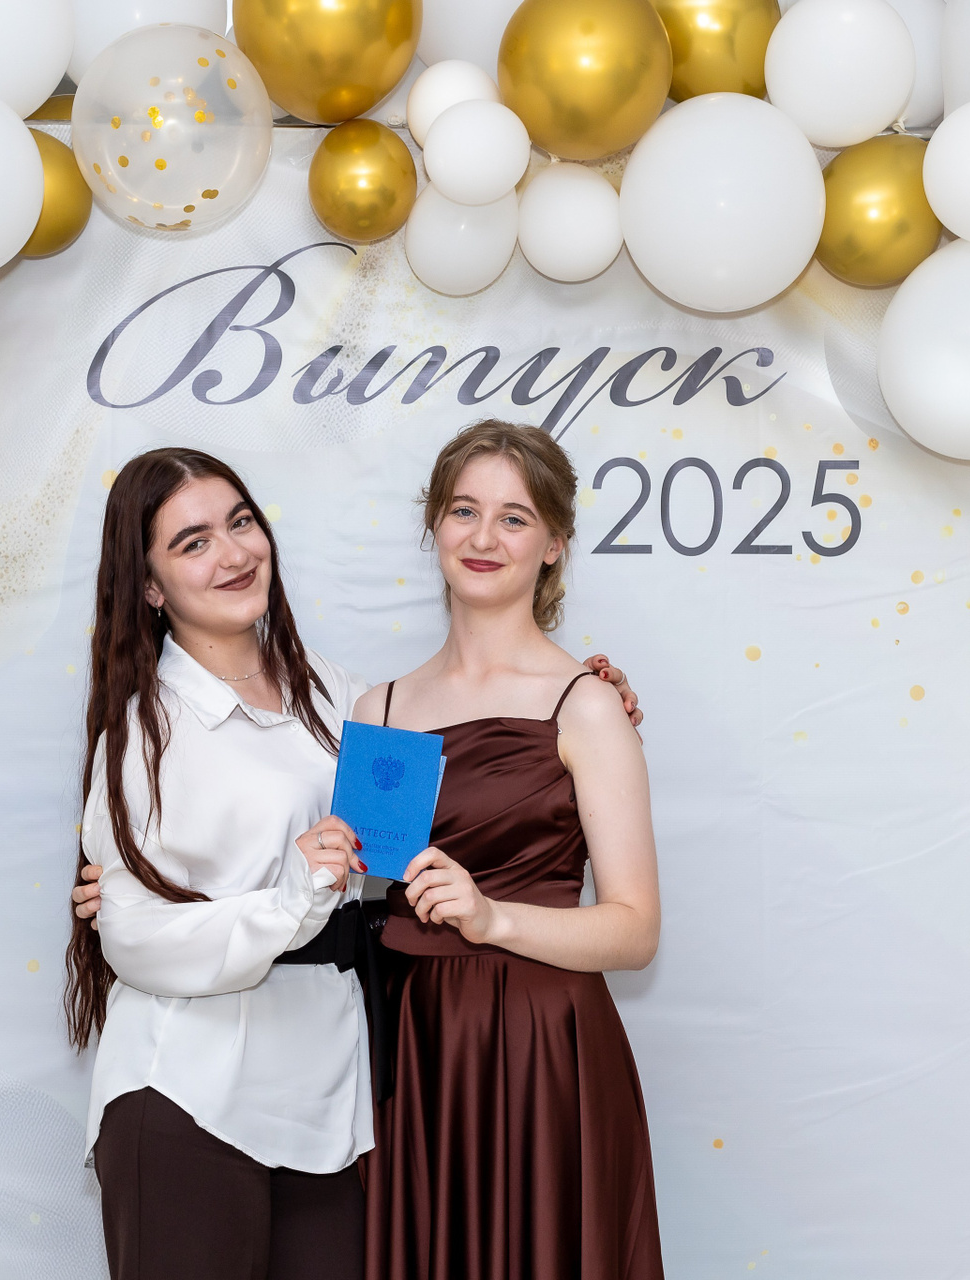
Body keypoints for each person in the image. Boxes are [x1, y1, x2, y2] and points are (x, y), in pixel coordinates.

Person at [66, 446, 642, 1280]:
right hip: (189, 1094)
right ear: (149, 586)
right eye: (192, 543)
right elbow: (135, 939)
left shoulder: (348, 701)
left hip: (332, 1110)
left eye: (240, 523)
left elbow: (463, 767)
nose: (231, 553)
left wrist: (589, 704)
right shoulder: (141, 737)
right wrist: (276, 900)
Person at [355, 421, 665, 1280]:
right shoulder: (378, 711)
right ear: (433, 525)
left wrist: (492, 918)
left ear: (555, 544)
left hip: (540, 1049)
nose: (483, 537)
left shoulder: (585, 705)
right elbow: (360, 897)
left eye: (515, 517)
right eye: (463, 510)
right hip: (414, 1053)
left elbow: (636, 931)